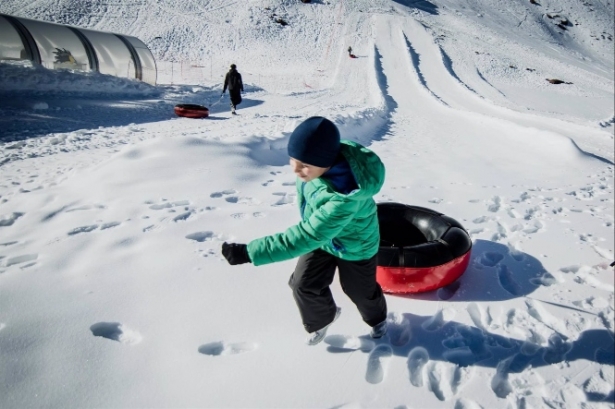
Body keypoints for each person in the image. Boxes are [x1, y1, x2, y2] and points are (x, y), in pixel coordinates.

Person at [221, 116, 388, 346]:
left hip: (354, 246)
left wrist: (250, 252)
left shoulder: (343, 198)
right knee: (302, 284)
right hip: (323, 239)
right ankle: (323, 318)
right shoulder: (313, 169)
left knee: (359, 292)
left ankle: (378, 319)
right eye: (293, 159)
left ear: (327, 162)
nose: (297, 169)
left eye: (305, 164)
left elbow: (304, 237)